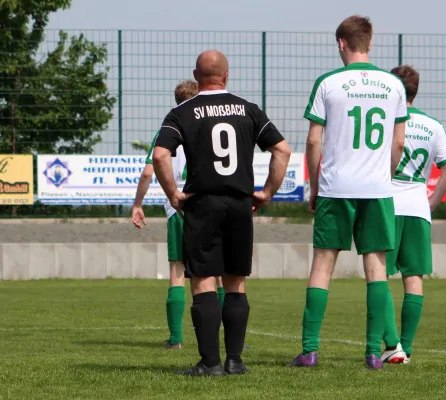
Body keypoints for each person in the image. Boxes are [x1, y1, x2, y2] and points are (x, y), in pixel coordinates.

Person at [152, 50, 291, 377]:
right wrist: (267, 192)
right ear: (226, 77)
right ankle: (235, 361)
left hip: (202, 204)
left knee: (202, 282)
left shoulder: (181, 112)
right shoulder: (248, 109)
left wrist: (174, 194)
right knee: (235, 283)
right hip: (240, 204)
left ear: (196, 76)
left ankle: (210, 363)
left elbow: (160, 156)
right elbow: (282, 149)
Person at [287, 15, 408, 370]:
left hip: (335, 187)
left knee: (323, 266)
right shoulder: (394, 85)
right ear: (369, 43)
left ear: (342, 43)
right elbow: (398, 142)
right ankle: (373, 353)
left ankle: (310, 350)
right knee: (377, 269)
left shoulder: (328, 82)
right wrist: (384, 175)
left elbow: (313, 139)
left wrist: (314, 183)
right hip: (376, 189)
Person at [131, 80, 225, 350]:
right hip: (210, 205)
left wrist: (138, 204)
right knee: (217, 272)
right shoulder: (212, 128)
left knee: (177, 271)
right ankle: (222, 335)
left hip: (178, 207)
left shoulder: (169, 129)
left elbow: (150, 171)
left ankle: (176, 339)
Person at [380, 65, 446, 365]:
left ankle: (391, 345)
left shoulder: (385, 122)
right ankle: (406, 348)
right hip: (417, 205)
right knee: (414, 278)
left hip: (386, 203)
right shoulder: (433, 125)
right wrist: (431, 203)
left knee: (378, 276)